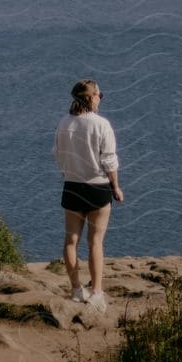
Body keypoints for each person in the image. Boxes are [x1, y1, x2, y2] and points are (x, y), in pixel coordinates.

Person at [54, 77, 123, 313]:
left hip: (72, 186)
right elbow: (109, 160)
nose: (100, 99)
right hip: (97, 186)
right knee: (95, 242)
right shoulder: (101, 124)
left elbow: (58, 153)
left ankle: (76, 289)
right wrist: (116, 187)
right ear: (91, 98)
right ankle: (97, 292)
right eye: (99, 96)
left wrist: (69, 170)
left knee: (70, 240)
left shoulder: (64, 123)